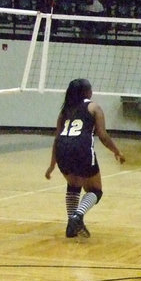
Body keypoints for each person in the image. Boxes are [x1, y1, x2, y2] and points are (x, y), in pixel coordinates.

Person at [45, 79, 125, 238]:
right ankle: (78, 216)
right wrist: (117, 151)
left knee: (73, 185)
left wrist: (52, 165)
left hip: (62, 149)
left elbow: (57, 138)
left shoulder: (65, 110)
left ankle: (71, 225)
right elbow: (102, 135)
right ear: (87, 92)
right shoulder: (93, 107)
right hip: (81, 148)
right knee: (95, 190)